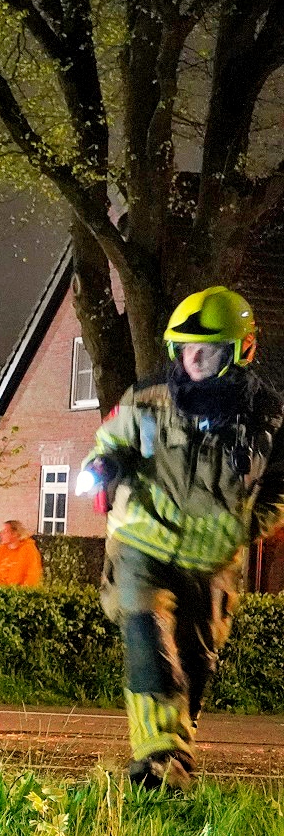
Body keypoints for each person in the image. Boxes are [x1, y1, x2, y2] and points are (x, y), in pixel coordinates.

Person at [82, 286, 284, 793]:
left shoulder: (267, 419)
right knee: (149, 639)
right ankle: (156, 760)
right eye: (185, 348)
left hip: (213, 560)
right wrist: (102, 468)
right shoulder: (147, 399)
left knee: (192, 667)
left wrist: (248, 524)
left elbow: (280, 488)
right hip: (142, 543)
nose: (192, 360)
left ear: (240, 351)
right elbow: (111, 442)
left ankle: (170, 768)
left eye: (207, 350)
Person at [0, 519, 44, 588]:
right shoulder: (0, 549)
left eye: (5, 532)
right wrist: (0, 587)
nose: (0, 534)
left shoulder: (29, 550)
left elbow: (32, 577)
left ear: (14, 534)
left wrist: (17, 591)